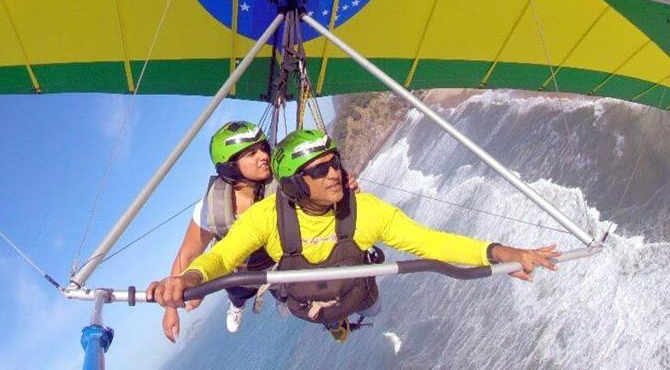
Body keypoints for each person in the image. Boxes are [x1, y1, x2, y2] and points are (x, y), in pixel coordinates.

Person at [148, 129, 560, 342]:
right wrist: (187, 281)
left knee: (367, 311)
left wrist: (499, 254)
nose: (334, 175)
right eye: (318, 170)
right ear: (293, 184)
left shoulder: (365, 211)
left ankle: (342, 317)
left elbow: (433, 242)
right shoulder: (264, 218)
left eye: (334, 163)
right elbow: (221, 257)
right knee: (312, 308)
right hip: (304, 295)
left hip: (354, 291)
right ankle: (330, 318)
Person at [160, 120, 276, 342]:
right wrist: (171, 307)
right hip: (240, 272)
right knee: (238, 293)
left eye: (263, 148)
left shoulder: (282, 184)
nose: (263, 156)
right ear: (230, 166)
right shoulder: (210, 208)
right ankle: (237, 305)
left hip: (276, 262)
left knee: (287, 292)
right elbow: (188, 253)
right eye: (251, 153)